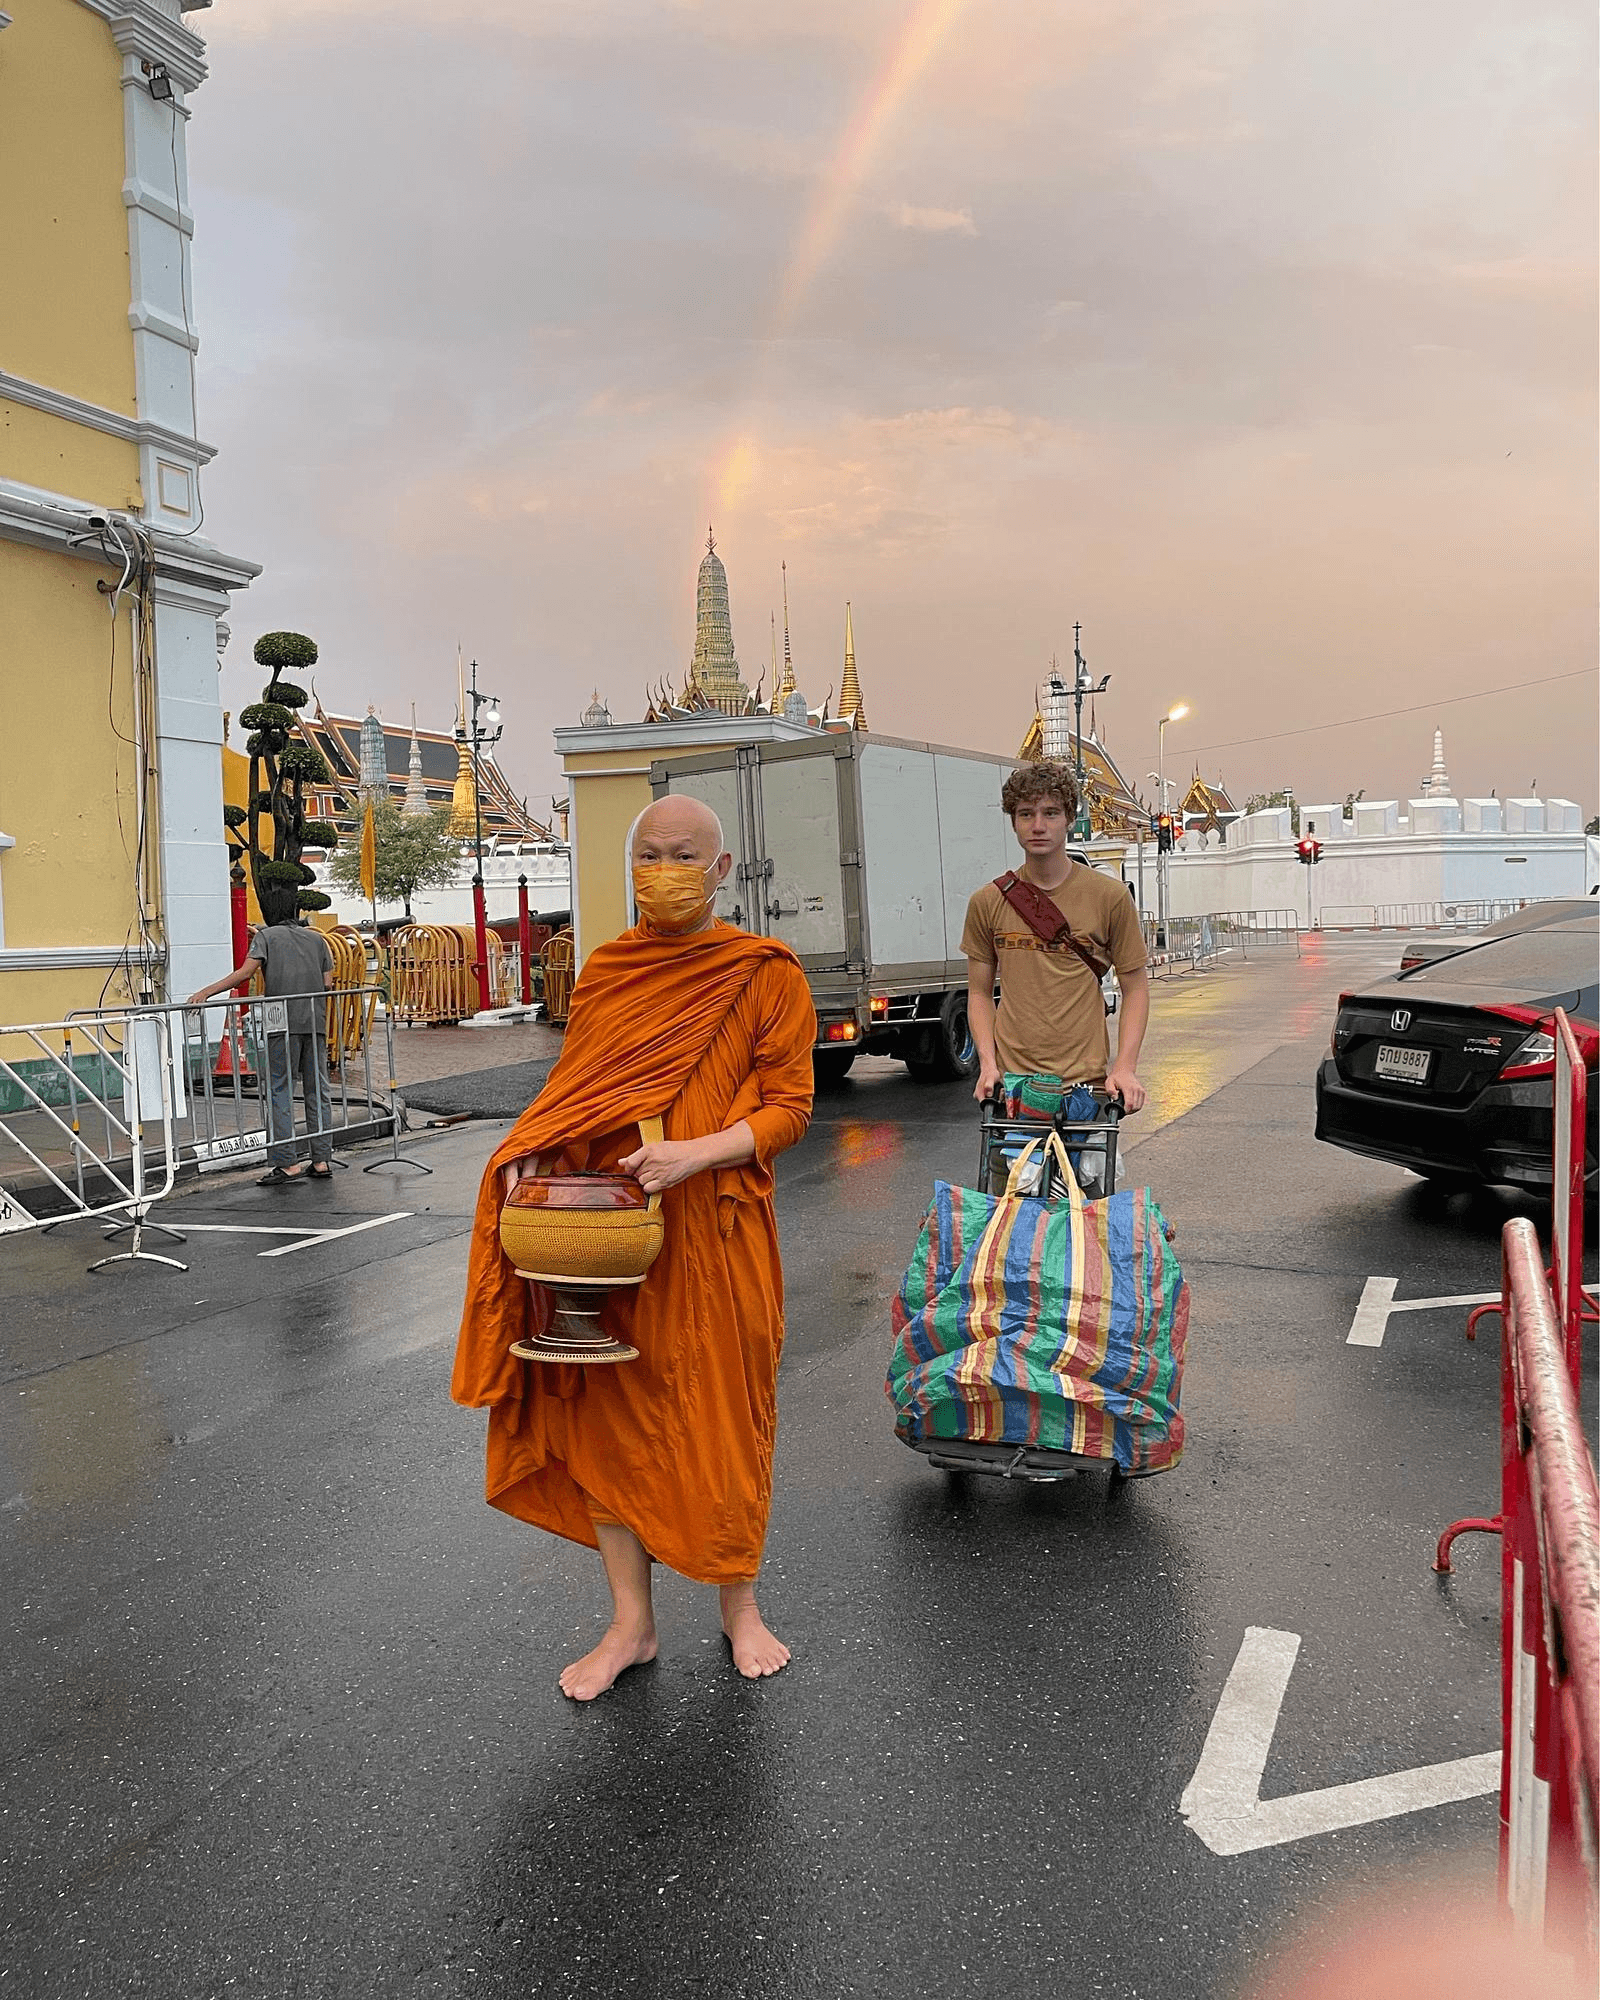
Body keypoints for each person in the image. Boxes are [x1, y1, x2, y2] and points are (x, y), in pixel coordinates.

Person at [452, 795, 817, 1702]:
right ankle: (631, 1623)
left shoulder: (763, 972)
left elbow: (790, 1107)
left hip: (718, 1232)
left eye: (684, 853)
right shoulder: (607, 971)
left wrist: (696, 1153)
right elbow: (576, 1096)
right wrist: (526, 1157)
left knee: (725, 1416)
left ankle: (740, 1607)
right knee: (609, 1422)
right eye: (649, 854)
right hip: (613, 1241)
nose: (665, 868)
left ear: (722, 868)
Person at [961, 761, 1149, 1173]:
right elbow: (978, 992)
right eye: (1026, 814)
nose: (1038, 825)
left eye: (1050, 813)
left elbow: (1136, 987)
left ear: (1069, 818)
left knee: (1090, 1220)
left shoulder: (1109, 897)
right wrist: (988, 1065)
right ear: (1013, 823)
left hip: (1089, 1089)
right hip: (1015, 1091)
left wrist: (1125, 1068)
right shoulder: (988, 902)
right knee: (1014, 1221)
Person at [187, 911, 336, 1184]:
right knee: (318, 1090)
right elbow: (328, 983)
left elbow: (245, 973)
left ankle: (287, 1163)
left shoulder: (267, 937)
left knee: (280, 1090)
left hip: (280, 1022)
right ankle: (322, 1159)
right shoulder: (317, 940)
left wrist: (206, 992)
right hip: (314, 1020)